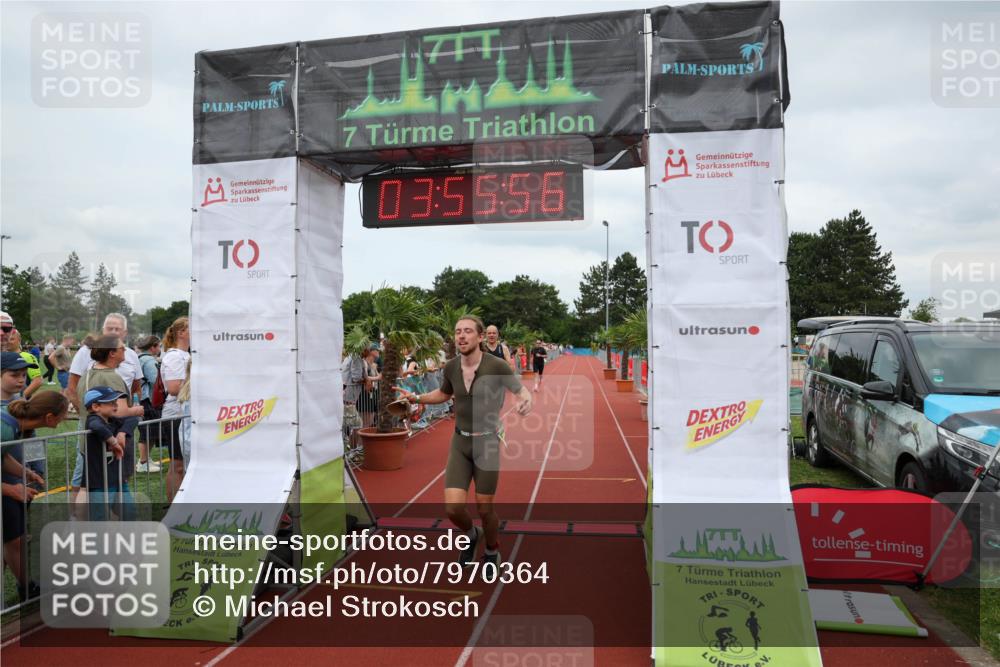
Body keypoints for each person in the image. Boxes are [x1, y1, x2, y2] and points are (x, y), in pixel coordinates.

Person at [394, 315, 532, 574]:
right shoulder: (450, 367)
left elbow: (519, 389)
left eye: (468, 331)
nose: (461, 336)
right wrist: (416, 397)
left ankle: (491, 550)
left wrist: (527, 400)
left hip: (487, 442)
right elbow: (444, 394)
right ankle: (472, 534)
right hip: (460, 441)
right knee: (453, 508)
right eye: (458, 331)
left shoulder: (497, 366)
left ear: (480, 337)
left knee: (484, 506)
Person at [2, 390, 66, 601]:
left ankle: (27, 587)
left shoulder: (13, 426)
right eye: (62, 415)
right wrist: (11, 489)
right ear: (49, 417)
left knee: (14, 539)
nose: (65, 419)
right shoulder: (6, 428)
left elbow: (3, 456)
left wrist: (25, 473)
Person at [70, 335, 144, 502]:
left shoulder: (88, 373)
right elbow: (119, 411)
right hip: (109, 442)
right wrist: (137, 410)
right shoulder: (112, 376)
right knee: (110, 490)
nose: (125, 350)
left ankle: (78, 521)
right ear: (111, 353)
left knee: (87, 486)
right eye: (121, 348)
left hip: (89, 440)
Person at [81, 387, 133, 520]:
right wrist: (114, 443)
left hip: (117, 478)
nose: (116, 405)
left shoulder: (113, 420)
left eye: (116, 401)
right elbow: (97, 427)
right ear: (96, 406)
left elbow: (133, 419)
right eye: (111, 403)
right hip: (100, 481)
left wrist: (122, 433)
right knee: (99, 517)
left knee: (129, 512)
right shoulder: (93, 419)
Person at [160, 317, 190, 501]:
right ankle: (173, 506)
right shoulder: (174, 356)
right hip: (175, 416)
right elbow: (173, 388)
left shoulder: (186, 355)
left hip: (185, 415)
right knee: (177, 465)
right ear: (181, 333)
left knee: (184, 464)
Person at [134, 335, 162, 473]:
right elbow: (155, 380)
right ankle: (143, 462)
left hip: (142, 398)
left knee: (149, 431)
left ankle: (145, 459)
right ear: (153, 347)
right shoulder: (149, 361)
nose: (160, 348)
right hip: (147, 400)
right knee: (147, 431)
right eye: (159, 346)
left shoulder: (139, 358)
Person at [7, 329, 43, 399]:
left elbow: (37, 381)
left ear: (19, 340)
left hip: (16, 402)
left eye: (12, 339)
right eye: (6, 339)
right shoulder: (2, 356)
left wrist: (21, 398)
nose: (8, 342)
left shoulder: (27, 357)